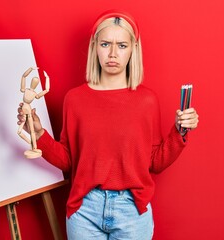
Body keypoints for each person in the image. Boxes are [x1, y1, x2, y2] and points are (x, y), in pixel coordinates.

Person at [17, 9, 199, 240]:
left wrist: (180, 132)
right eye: (105, 44)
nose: (113, 53)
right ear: (95, 47)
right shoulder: (75, 99)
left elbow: (155, 162)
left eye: (122, 45)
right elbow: (68, 160)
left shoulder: (146, 100)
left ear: (133, 50)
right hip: (85, 210)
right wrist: (39, 133)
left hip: (132, 210)